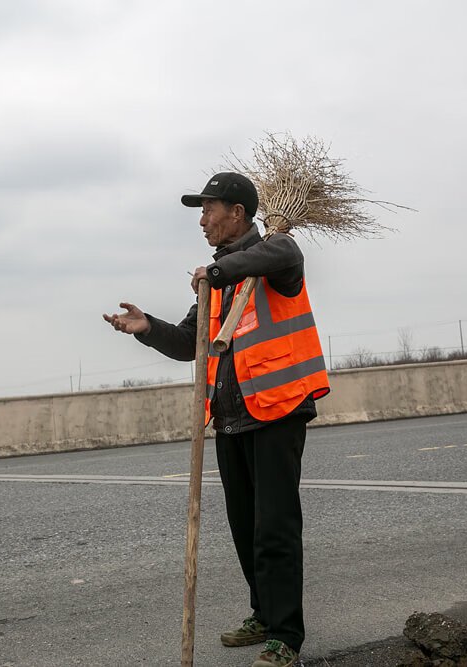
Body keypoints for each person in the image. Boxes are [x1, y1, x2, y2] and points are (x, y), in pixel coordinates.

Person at [103, 172, 330, 667]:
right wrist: (146, 328)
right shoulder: (220, 277)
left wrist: (218, 272)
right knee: (246, 528)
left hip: (276, 410)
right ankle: (264, 614)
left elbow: (286, 254)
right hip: (230, 418)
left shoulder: (275, 256)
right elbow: (191, 342)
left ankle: (285, 636)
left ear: (238, 214)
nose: (202, 220)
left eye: (209, 210)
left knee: (275, 529)